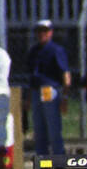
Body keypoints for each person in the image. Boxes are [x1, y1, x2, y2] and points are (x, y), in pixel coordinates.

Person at [26, 19, 71, 156]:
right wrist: (28, 98)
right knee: (38, 129)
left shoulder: (56, 50)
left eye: (45, 31)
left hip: (48, 89)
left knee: (53, 128)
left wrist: (64, 96)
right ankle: (42, 161)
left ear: (51, 32)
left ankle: (59, 159)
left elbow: (65, 74)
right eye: (39, 31)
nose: (41, 34)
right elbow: (32, 76)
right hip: (35, 90)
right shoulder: (34, 50)